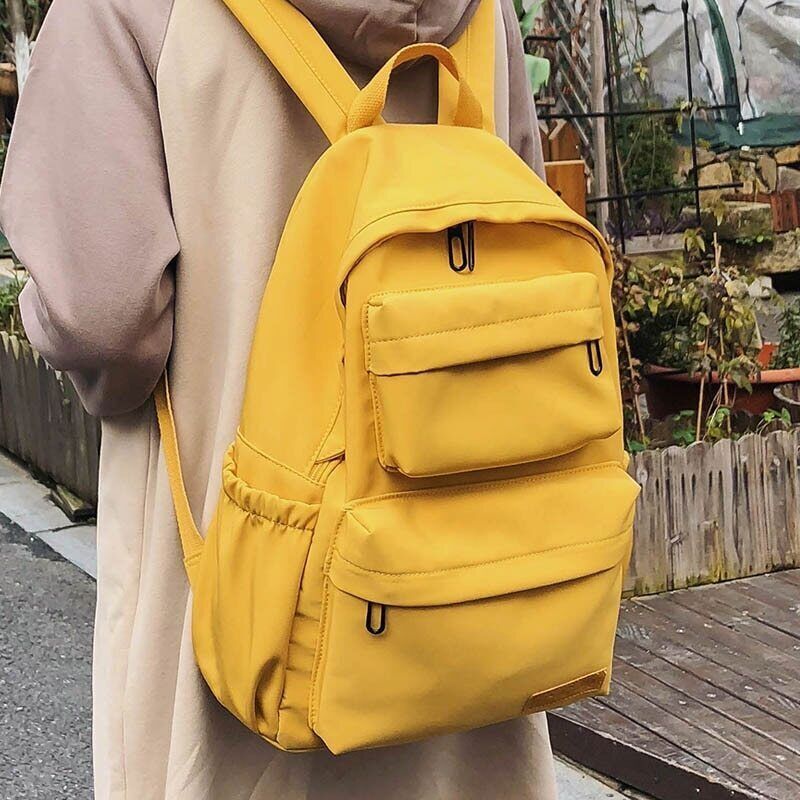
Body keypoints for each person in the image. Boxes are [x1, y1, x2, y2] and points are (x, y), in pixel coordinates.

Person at [0, 0, 557, 797]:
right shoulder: (486, 13)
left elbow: (103, 318)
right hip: (463, 600)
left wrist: (42, 308)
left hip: (238, 616)